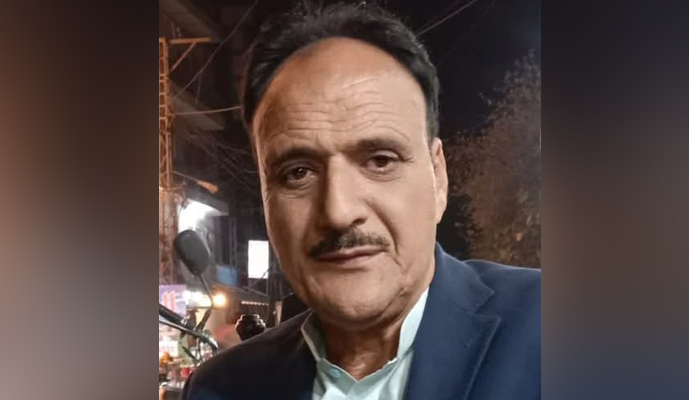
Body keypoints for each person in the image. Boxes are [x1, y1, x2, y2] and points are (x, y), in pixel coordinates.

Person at [182, 1, 540, 399]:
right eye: (297, 173)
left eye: (380, 161)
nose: (339, 211)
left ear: (438, 178)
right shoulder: (221, 388)